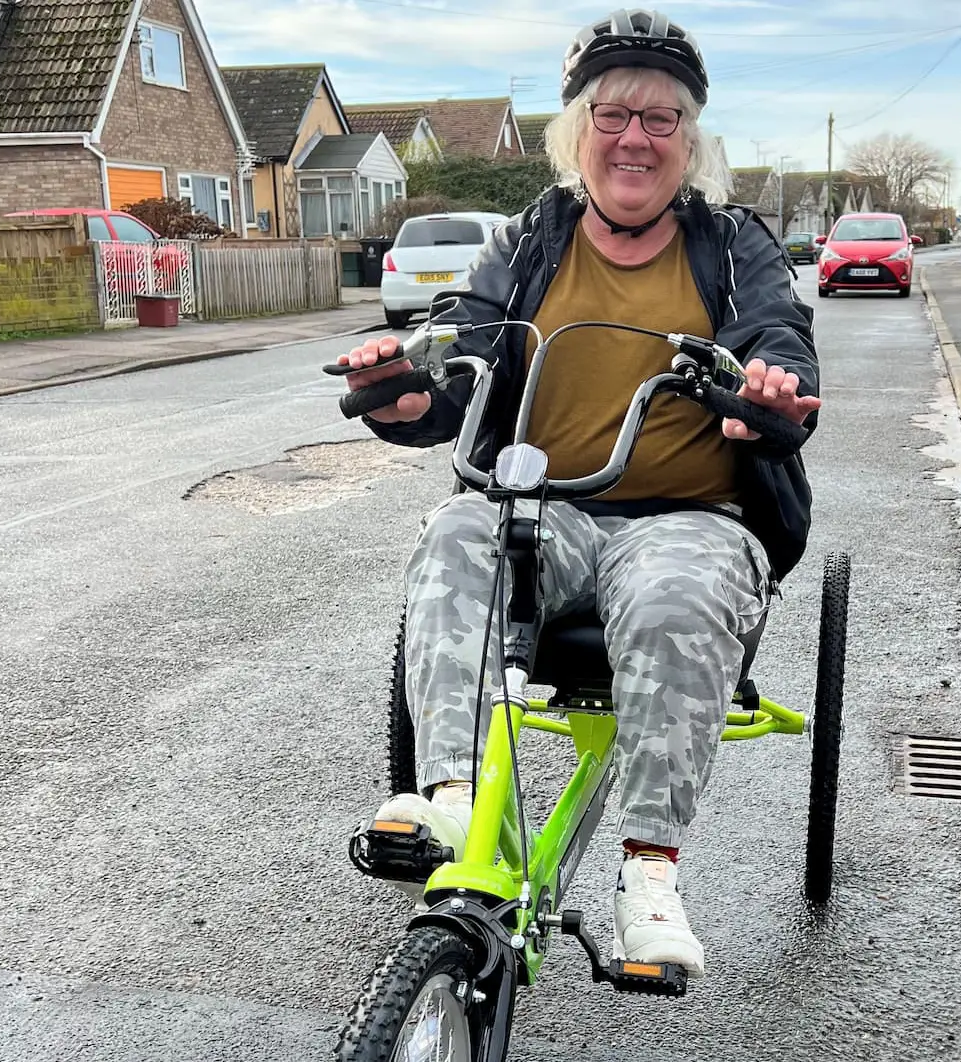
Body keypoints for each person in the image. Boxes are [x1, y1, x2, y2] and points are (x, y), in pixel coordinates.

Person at [336, 8, 820, 976]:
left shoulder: (731, 247)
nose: (635, 137)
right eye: (612, 114)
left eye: (661, 118)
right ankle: (458, 799)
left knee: (680, 595)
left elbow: (779, 338)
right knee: (457, 529)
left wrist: (766, 390)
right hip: (543, 512)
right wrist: (406, 389)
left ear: (690, 141)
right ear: (576, 132)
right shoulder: (526, 244)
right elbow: (463, 346)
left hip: (689, 519)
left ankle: (649, 871)